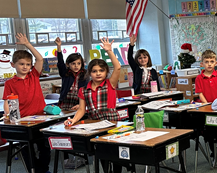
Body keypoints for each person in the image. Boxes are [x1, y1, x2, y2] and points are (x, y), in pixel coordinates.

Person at [64, 37, 125, 173]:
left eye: (101, 71)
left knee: (115, 152)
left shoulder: (110, 84)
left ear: (106, 72)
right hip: (95, 124)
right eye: (94, 71)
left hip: (112, 122)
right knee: (102, 152)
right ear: (89, 73)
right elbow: (81, 110)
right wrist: (73, 120)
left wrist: (109, 51)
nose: (98, 73)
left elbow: (118, 67)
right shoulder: (83, 90)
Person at [2, 33, 49, 173]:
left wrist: (27, 44)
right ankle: (33, 170)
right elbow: (7, 101)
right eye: (21, 64)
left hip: (40, 118)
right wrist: (7, 115)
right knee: (26, 149)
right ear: (13, 65)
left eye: (28, 64)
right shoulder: (10, 83)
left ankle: (43, 169)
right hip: (22, 121)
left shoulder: (33, 75)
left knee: (44, 147)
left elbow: (39, 59)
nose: (25, 67)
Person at [55, 37, 88, 111]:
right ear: (68, 64)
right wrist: (59, 47)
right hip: (65, 102)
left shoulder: (85, 74)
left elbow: (87, 91)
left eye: (78, 63)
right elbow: (60, 62)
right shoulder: (65, 73)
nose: (76, 66)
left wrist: (82, 104)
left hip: (78, 102)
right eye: (73, 64)